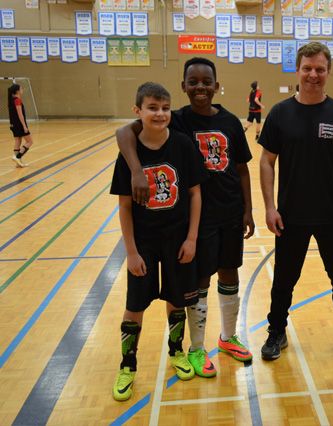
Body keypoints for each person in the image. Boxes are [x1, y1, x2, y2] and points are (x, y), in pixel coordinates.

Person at [116, 57, 255, 379]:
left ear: (216, 85)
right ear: (184, 87)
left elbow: (242, 168)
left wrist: (248, 209)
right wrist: (136, 170)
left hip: (231, 212)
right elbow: (124, 132)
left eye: (207, 81)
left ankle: (228, 337)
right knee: (199, 280)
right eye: (193, 82)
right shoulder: (175, 119)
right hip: (199, 218)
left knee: (230, 272)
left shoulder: (232, 122)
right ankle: (196, 347)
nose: (200, 87)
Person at [258, 42, 333, 361]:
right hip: (290, 216)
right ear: (298, 70)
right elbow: (266, 161)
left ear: (328, 72)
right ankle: (276, 331)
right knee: (284, 281)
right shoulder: (280, 113)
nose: (313, 74)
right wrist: (269, 207)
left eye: (319, 69)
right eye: (307, 68)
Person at [110, 82, 209, 401]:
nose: (160, 113)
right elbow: (124, 205)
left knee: (177, 298)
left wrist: (192, 238)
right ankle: (128, 365)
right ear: (137, 111)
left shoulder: (182, 145)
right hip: (144, 243)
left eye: (165, 108)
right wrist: (131, 251)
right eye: (152, 108)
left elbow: (195, 193)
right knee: (134, 305)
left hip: (178, 238)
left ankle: (176, 351)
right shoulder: (128, 152)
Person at [8, 83, 35, 168]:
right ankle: (17, 157)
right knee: (30, 142)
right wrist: (24, 126)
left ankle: (18, 163)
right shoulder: (17, 100)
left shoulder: (11, 100)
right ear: (17, 91)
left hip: (13, 124)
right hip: (19, 124)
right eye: (21, 89)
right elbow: (20, 115)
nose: (22, 90)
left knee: (18, 141)